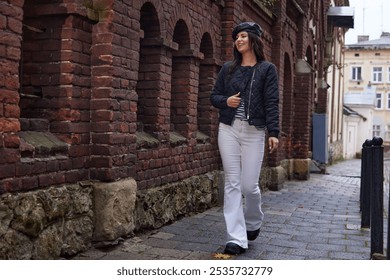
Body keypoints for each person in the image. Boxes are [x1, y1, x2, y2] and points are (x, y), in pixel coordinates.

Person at [210, 22, 280, 255]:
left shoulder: (267, 69)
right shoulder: (228, 69)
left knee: (249, 186)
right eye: (235, 37)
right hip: (228, 128)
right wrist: (226, 101)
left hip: (254, 131)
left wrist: (274, 132)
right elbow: (214, 96)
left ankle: (252, 222)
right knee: (232, 182)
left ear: (253, 39)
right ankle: (236, 238)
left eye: (242, 36)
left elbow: (271, 102)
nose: (238, 40)